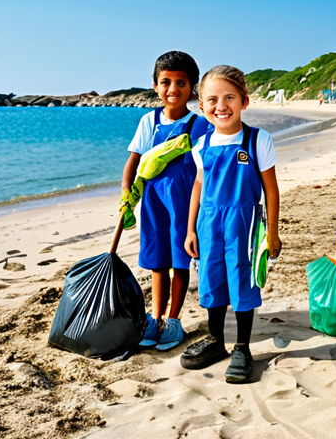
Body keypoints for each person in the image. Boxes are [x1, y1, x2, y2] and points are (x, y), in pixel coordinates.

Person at [182, 65, 282, 383]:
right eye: (212, 99)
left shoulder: (257, 140)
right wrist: (189, 229)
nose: (221, 106)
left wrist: (274, 233)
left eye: (229, 98)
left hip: (245, 220)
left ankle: (242, 347)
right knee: (211, 281)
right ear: (201, 106)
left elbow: (271, 189)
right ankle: (215, 341)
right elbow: (198, 185)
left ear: (244, 101)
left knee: (242, 281)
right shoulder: (201, 145)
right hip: (208, 221)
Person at [120, 51, 210, 351]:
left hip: (184, 202)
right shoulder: (149, 121)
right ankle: (155, 318)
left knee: (180, 260)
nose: (173, 89)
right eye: (166, 82)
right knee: (157, 261)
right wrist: (126, 194)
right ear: (155, 86)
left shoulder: (199, 125)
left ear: (193, 87)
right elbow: (133, 161)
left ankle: (173, 320)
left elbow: (207, 166)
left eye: (181, 83)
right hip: (153, 201)